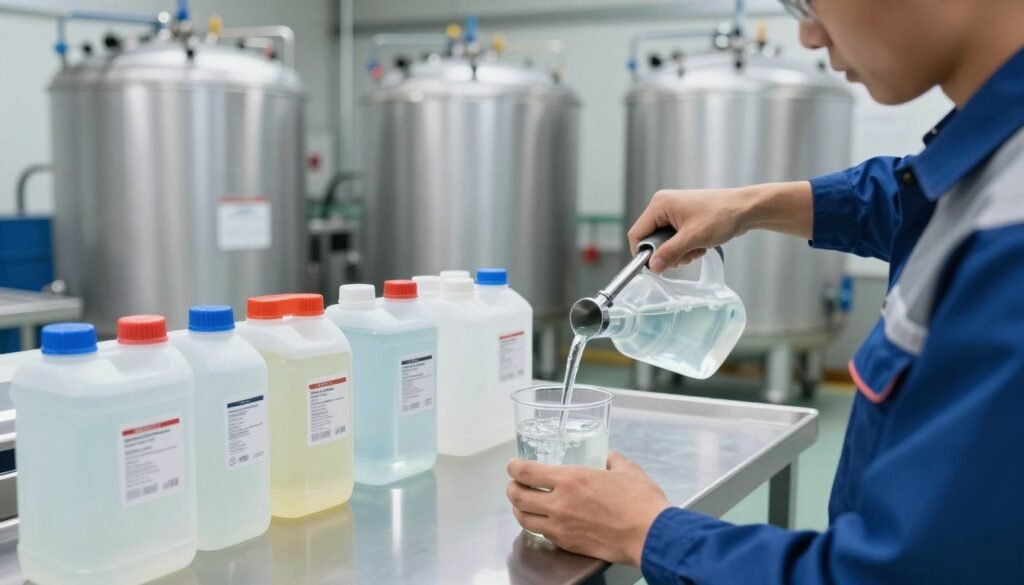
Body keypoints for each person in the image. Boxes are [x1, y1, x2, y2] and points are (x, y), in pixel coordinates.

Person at [506, 0, 1024, 582]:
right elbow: (902, 202)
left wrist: (646, 531)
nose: (807, 34)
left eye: (811, 0)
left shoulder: (1011, 245)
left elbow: (894, 575)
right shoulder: (994, 159)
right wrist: (745, 207)